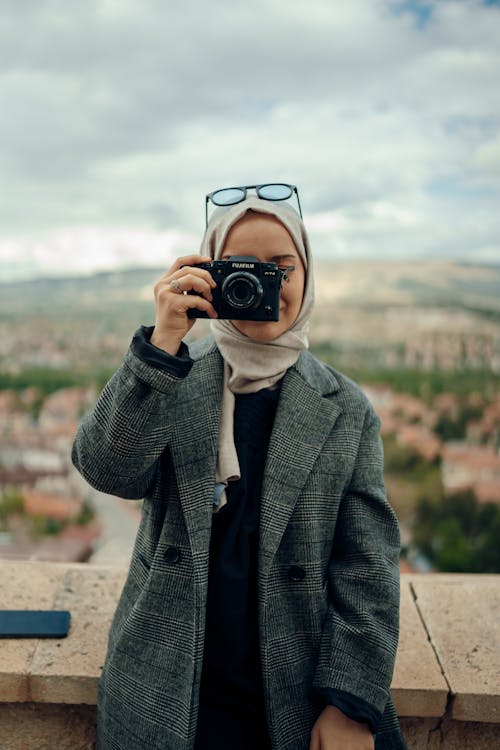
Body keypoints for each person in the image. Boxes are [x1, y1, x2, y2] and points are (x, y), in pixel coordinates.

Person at [72, 184, 407, 750]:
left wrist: (349, 701)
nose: (263, 286)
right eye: (241, 270)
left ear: (307, 278)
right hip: (168, 688)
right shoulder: (172, 375)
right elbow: (107, 471)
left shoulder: (345, 410)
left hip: (293, 689)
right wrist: (160, 347)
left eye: (281, 269)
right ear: (209, 277)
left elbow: (368, 565)